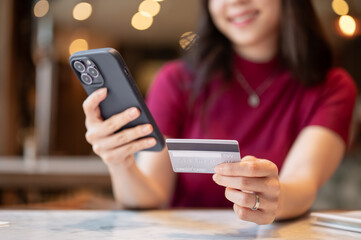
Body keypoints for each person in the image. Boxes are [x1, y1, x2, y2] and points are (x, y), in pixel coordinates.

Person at [82, 0, 356, 225]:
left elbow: (301, 182)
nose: (235, 2)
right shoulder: (175, 81)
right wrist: (118, 161)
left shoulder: (332, 87)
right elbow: (150, 196)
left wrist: (274, 198)